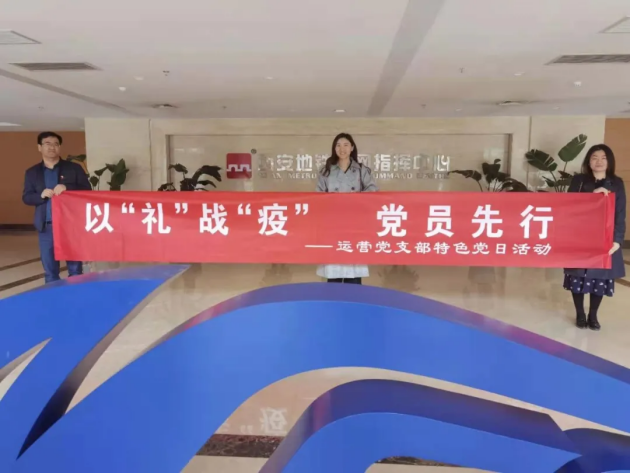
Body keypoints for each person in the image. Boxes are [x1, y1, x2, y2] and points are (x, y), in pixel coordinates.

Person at [564, 144, 626, 331]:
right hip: (580, 238)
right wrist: (592, 196)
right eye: (594, 157)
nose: (599, 161)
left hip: (605, 239)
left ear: (610, 161)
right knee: (577, 276)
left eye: (603, 157)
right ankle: (580, 314)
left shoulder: (617, 183)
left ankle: (593, 315)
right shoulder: (579, 181)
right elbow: (569, 206)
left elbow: (620, 213)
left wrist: (617, 240)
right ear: (588, 161)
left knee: (600, 278)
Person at [22, 132, 92, 283]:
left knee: (75, 269)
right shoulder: (32, 172)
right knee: (50, 270)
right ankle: (53, 295)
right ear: (39, 147)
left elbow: (87, 190)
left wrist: (68, 187)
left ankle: (75, 293)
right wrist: (40, 195)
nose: (52, 147)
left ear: (59, 147)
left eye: (56, 144)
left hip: (70, 225)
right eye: (47, 144)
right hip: (46, 226)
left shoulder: (74, 168)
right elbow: (27, 197)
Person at [315, 132, 378, 284]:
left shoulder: (362, 170)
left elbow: (373, 191)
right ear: (334, 148)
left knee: (353, 272)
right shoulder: (326, 171)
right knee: (334, 272)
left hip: (355, 225)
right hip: (333, 226)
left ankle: (353, 298)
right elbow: (318, 196)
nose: (342, 149)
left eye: (345, 145)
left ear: (352, 148)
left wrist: (356, 198)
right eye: (338, 145)